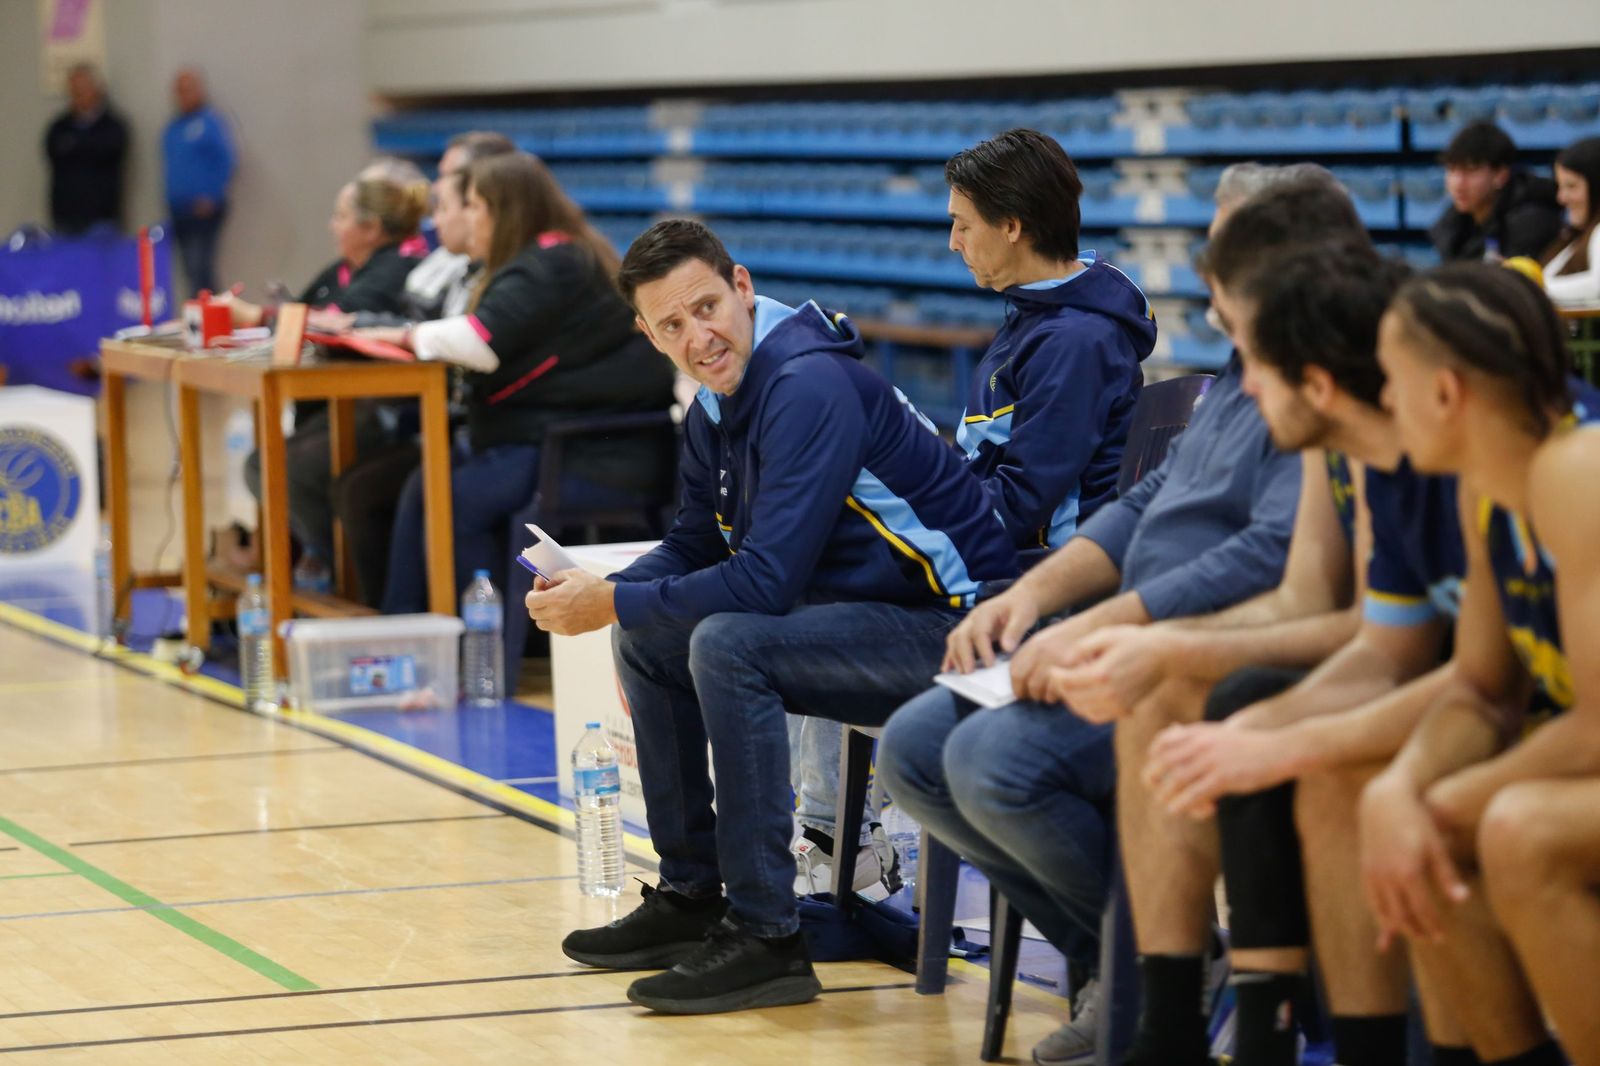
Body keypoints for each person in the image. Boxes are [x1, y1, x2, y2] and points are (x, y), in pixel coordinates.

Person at [875, 166, 1307, 1066]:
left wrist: (1105, 622)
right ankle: (1124, 962)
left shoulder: (1318, 380)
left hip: (1214, 654)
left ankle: (1158, 970)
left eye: (1225, 244)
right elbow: (1147, 504)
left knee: (991, 766)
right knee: (913, 749)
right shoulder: (1242, 366)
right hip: (1122, 626)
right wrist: (1036, 599)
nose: (1207, 265)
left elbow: (1271, 553)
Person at [535, 219, 1017, 1015]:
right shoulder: (714, 408)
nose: (701, 336)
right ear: (649, 336)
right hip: (879, 615)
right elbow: (693, 541)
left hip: (966, 630)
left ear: (745, 288)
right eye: (674, 325)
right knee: (649, 635)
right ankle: (694, 897)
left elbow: (765, 584)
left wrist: (612, 597)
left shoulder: (805, 386)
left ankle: (767, 936)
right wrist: (600, 587)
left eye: (709, 307)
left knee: (728, 645)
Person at [790, 128, 1157, 899]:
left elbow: (1019, 505)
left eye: (963, 223)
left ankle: (841, 848)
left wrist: (907, 496)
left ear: (1013, 226)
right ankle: (836, 837)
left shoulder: (1077, 340)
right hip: (1004, 564)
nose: (953, 241)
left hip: (1036, 588)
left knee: (813, 610)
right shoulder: (1039, 317)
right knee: (814, 583)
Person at [1356, 263, 1598, 1066]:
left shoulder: (1575, 471)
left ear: (1448, 392)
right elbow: (1480, 690)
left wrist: (1448, 796)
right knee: (1422, 819)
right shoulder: (1484, 490)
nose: (1385, 401)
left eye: (1392, 379)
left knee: (1517, 830)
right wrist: (1404, 785)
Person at [376, 152, 675, 614]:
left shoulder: (552, 263)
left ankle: (478, 643)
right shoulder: (539, 257)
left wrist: (403, 336)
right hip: (552, 433)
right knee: (425, 483)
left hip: (594, 450)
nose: (467, 217)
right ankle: (409, 630)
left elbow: (480, 341)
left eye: (474, 206)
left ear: (504, 209)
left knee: (454, 500)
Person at [325, 132, 514, 606]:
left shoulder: (527, 268)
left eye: (452, 198)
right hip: (464, 424)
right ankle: (388, 619)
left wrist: (403, 336)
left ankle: (414, 628)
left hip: (516, 433)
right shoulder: (465, 266)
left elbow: (478, 344)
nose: (437, 216)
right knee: (356, 482)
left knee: (407, 489)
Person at [231, 171, 430, 574]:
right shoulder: (341, 269)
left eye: (340, 216)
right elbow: (300, 318)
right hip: (333, 406)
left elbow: (328, 327)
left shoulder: (396, 269)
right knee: (268, 461)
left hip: (388, 411)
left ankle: (345, 574)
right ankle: (321, 563)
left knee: (277, 468)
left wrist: (257, 316)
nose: (332, 226)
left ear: (371, 228)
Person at [1430, 121, 1564, 263]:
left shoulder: (1531, 221)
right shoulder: (1454, 223)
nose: (1458, 183)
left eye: (1470, 170)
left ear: (1500, 175)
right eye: (1451, 170)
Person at [161, 68, 236, 296]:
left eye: (189, 89)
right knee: (189, 271)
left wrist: (211, 195)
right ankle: (202, 316)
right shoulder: (172, 128)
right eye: (180, 91)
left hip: (204, 210)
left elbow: (227, 160)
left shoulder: (210, 123)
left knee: (200, 268)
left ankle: (213, 318)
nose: (184, 95)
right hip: (179, 210)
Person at [43, 64, 128, 235]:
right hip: (64, 218)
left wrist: (75, 146)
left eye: (84, 88)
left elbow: (107, 155)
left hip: (101, 219)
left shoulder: (113, 126)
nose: (79, 94)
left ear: (97, 89)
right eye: (74, 90)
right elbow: (53, 156)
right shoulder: (59, 127)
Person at [1540, 136, 1600, 307]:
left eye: (1572, 186)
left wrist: (1531, 288)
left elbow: (1598, 287)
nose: (1561, 198)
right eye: (1560, 186)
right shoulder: (1572, 237)